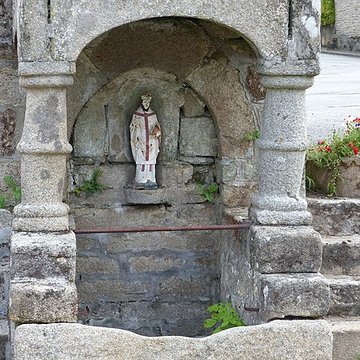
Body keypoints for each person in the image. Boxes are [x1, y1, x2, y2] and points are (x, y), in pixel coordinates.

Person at [130, 93, 161, 189]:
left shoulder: (153, 115)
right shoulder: (136, 115)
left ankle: (151, 180)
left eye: (148, 102)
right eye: (145, 101)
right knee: (141, 160)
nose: (146, 103)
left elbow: (157, 126)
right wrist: (135, 127)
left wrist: (157, 130)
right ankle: (140, 180)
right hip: (141, 140)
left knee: (151, 161)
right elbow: (132, 128)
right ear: (142, 102)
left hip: (152, 141)